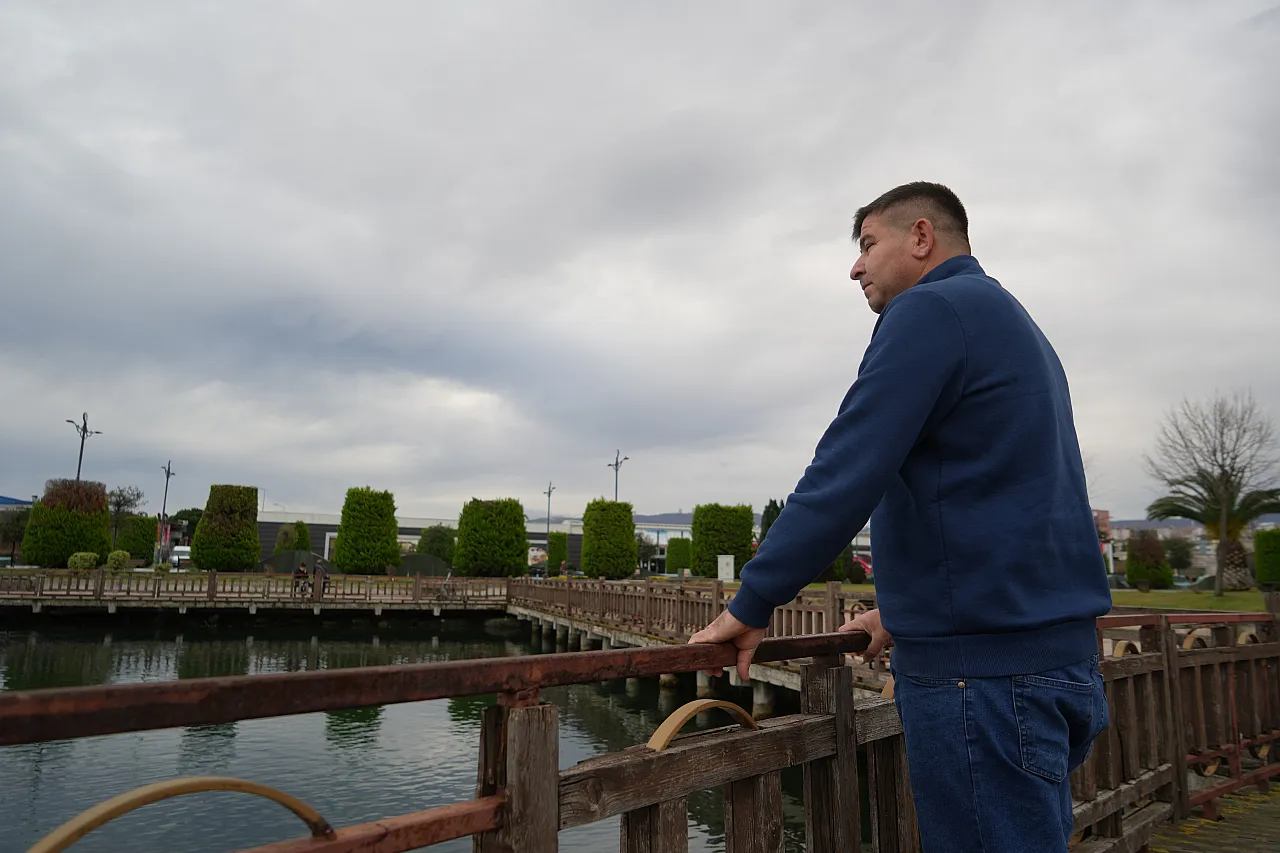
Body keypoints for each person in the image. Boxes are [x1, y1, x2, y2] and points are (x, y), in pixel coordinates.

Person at [690, 182, 1112, 853]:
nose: (855, 267)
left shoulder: (931, 309)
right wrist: (900, 610)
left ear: (921, 237)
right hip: (1056, 664)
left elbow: (848, 466)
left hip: (983, 678)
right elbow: (1005, 499)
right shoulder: (1010, 319)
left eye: (867, 244)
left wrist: (754, 599)